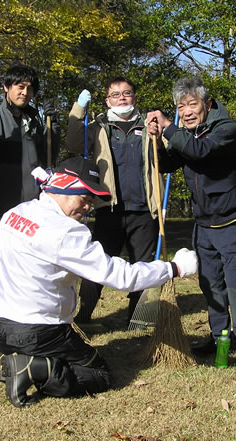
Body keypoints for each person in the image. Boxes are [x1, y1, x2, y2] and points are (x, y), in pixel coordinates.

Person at [0, 157, 197, 407]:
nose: (88, 207)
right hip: (34, 330)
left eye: (91, 202)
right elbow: (121, 276)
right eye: (84, 198)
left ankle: (23, 358)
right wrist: (174, 268)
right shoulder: (65, 231)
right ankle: (33, 367)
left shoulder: (16, 212)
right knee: (98, 374)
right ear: (64, 187)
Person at [145, 77, 236, 373]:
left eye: (192, 104)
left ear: (207, 105)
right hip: (204, 223)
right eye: (181, 106)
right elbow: (168, 164)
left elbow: (200, 152)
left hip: (231, 220)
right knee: (211, 286)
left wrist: (169, 127)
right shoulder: (185, 133)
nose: (186, 111)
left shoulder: (226, 129)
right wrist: (157, 139)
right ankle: (219, 336)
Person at [65, 77, 161, 325]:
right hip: (109, 208)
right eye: (115, 95)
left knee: (144, 265)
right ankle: (83, 315)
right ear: (107, 100)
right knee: (96, 265)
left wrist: (159, 134)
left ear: (134, 97)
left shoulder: (149, 125)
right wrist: (79, 109)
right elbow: (74, 143)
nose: (122, 98)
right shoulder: (98, 126)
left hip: (144, 210)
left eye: (126, 93)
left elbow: (168, 153)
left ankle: (138, 319)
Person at [0, 64, 56, 269]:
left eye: (30, 88)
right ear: (6, 87)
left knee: (29, 264)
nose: (25, 92)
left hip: (31, 205)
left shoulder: (35, 120)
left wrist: (54, 124)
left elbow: (49, 156)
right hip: (2, 206)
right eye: (20, 86)